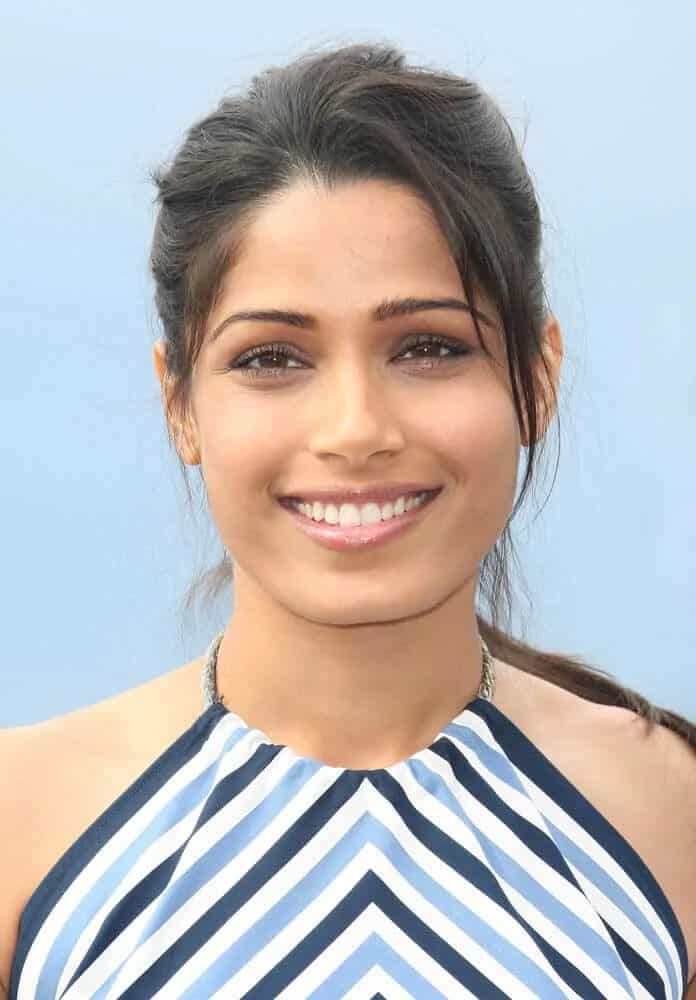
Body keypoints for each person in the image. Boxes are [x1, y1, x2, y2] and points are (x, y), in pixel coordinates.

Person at [2, 40, 694, 999]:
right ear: (181, 406)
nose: (356, 430)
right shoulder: (21, 824)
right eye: (272, 358)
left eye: (428, 346)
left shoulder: (673, 818)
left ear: (538, 377)